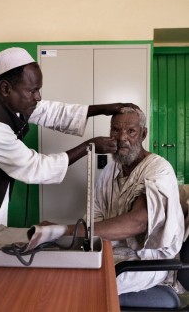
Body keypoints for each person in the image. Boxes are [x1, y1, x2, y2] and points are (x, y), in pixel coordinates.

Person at [0, 47, 136, 234]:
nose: (38, 97)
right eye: (33, 91)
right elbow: (34, 167)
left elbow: (52, 112)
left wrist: (102, 109)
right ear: (6, 88)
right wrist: (88, 147)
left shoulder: (6, 99)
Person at [63, 105, 184, 294]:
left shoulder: (159, 170)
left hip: (147, 262)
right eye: (116, 130)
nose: (122, 138)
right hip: (113, 250)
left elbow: (138, 222)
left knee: (84, 285)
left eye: (131, 131)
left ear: (143, 134)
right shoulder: (110, 171)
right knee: (63, 267)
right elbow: (93, 220)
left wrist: (64, 230)